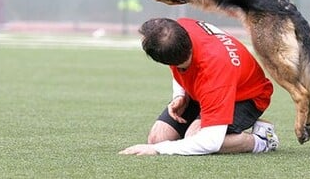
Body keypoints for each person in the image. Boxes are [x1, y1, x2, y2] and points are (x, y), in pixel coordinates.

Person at [119, 17, 279, 156]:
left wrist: (159, 150)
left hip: (247, 97)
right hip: (208, 88)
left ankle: (262, 140)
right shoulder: (178, 31)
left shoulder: (215, 74)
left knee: (195, 139)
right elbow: (179, 66)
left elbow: (211, 142)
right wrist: (180, 95)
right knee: (157, 138)